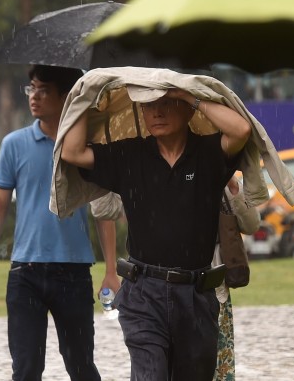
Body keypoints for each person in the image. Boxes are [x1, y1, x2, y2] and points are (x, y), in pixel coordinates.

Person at [60, 87, 252, 380]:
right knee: (151, 374)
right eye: (149, 106)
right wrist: (87, 94)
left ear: (188, 110)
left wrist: (189, 95)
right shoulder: (129, 154)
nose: (157, 112)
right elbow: (72, 151)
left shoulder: (208, 153)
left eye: (168, 104)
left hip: (196, 296)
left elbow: (242, 129)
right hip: (143, 293)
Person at [0, 65, 121, 381]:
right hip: (26, 273)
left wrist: (110, 271)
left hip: (74, 272)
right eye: (31, 89)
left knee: (81, 367)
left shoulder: (85, 148)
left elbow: (102, 208)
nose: (34, 97)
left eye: (43, 90)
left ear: (66, 97)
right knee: (25, 369)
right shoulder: (14, 144)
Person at [212, 175, 260, 381]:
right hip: (169, 286)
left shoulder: (217, 177)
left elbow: (251, 224)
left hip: (215, 287)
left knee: (218, 368)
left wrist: (232, 184)